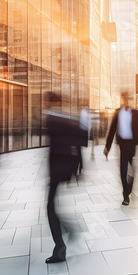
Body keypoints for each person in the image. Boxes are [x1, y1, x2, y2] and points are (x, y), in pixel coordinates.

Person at [44, 92, 84, 263]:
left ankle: (60, 247)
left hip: (57, 168)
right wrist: (78, 168)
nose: (45, 104)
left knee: (50, 206)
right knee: (51, 205)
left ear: (53, 102)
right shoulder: (68, 118)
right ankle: (68, 230)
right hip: (66, 166)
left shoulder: (51, 119)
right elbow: (79, 142)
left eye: (47, 101)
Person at [104, 92, 138, 206]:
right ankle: (125, 195)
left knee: (134, 170)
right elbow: (112, 129)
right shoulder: (118, 112)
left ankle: (129, 188)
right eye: (125, 98)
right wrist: (107, 146)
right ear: (122, 99)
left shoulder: (136, 113)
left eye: (129, 98)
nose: (127, 100)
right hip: (122, 145)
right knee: (123, 170)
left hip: (132, 144)